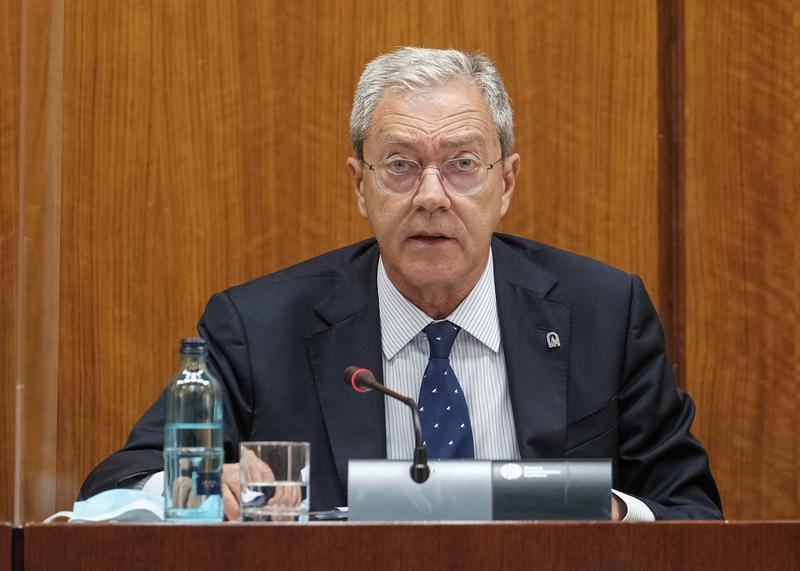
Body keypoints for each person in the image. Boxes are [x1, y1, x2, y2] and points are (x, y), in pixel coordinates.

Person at [80, 47, 722, 521]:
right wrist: (198, 488)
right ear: (359, 185)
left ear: (507, 183)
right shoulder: (258, 330)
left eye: (463, 164)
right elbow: (117, 483)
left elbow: (691, 511)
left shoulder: (603, 314)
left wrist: (606, 511)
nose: (432, 196)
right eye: (400, 166)